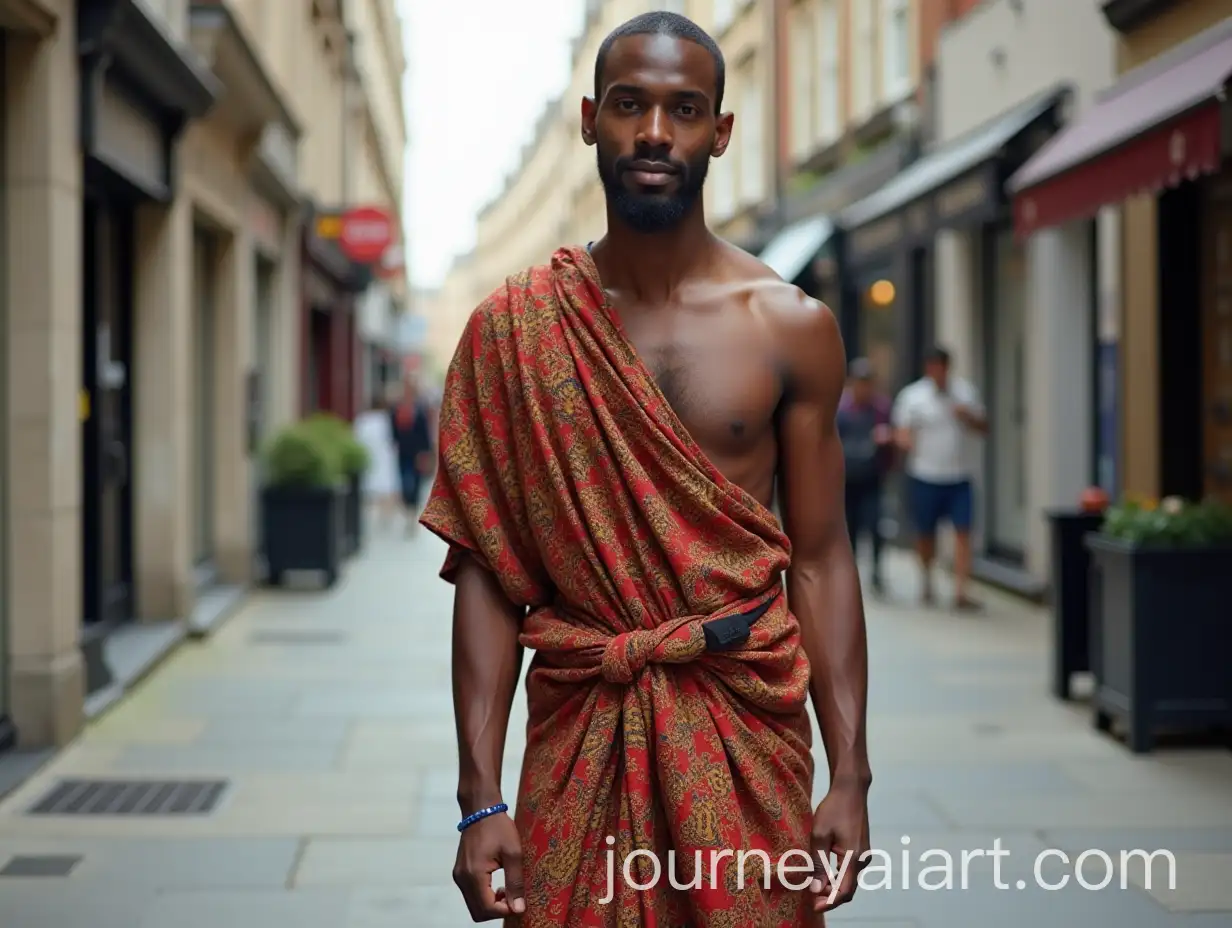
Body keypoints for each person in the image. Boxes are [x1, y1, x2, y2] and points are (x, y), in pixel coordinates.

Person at [419, 12, 870, 927]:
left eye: (684, 109)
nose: (656, 132)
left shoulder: (791, 325)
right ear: (591, 119)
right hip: (581, 729)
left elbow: (822, 557)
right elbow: (487, 570)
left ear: (721, 131)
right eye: (630, 106)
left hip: (744, 722)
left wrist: (851, 773)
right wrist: (479, 795)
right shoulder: (513, 329)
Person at [891, 345, 988, 610]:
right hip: (925, 475)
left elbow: (984, 427)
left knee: (963, 533)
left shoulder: (965, 393)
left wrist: (966, 415)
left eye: (942, 367)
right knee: (925, 533)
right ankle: (927, 580)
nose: (938, 372)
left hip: (959, 476)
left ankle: (960, 591)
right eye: (934, 367)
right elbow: (901, 431)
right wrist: (905, 441)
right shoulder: (913, 397)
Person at [836, 359, 893, 595]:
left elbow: (894, 438)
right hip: (847, 480)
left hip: (872, 479)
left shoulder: (881, 409)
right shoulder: (841, 410)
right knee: (850, 527)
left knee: (875, 523)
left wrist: (887, 440)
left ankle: (877, 570)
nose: (864, 389)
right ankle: (850, 573)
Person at [391, 379, 435, 533]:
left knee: (415, 483)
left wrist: (427, 453)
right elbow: (393, 431)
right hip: (402, 453)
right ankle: (406, 506)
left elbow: (426, 433)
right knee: (403, 481)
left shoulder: (420, 410)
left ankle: (412, 515)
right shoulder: (396, 409)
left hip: (418, 454)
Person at [352, 393, 400, 530]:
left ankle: (368, 518)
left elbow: (357, 438)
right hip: (385, 457)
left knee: (368, 488)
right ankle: (385, 519)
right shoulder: (387, 420)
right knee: (386, 489)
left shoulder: (362, 420)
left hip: (368, 456)